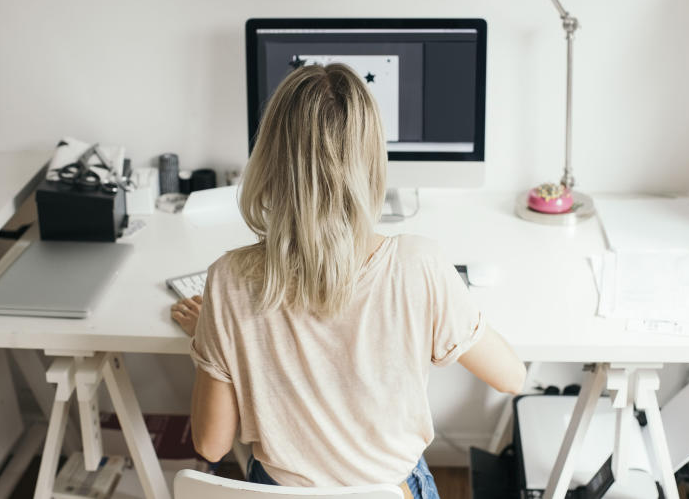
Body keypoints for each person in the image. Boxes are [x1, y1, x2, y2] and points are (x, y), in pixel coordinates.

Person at [171, 63, 526, 498]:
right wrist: (442, 310)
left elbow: (211, 444)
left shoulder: (228, 280)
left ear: (269, 157)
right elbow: (512, 378)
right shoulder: (419, 265)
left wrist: (209, 336)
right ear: (372, 160)